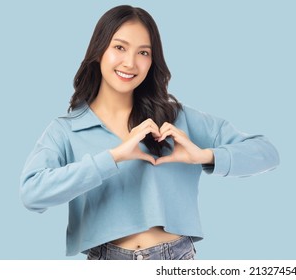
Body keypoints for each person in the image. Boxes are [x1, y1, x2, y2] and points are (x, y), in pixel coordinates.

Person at [20, 5, 279, 260]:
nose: (130, 63)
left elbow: (267, 152)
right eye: (119, 47)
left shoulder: (178, 118)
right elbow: (32, 194)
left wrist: (204, 156)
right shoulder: (66, 129)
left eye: (143, 52)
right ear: (99, 51)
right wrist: (112, 157)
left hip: (176, 260)